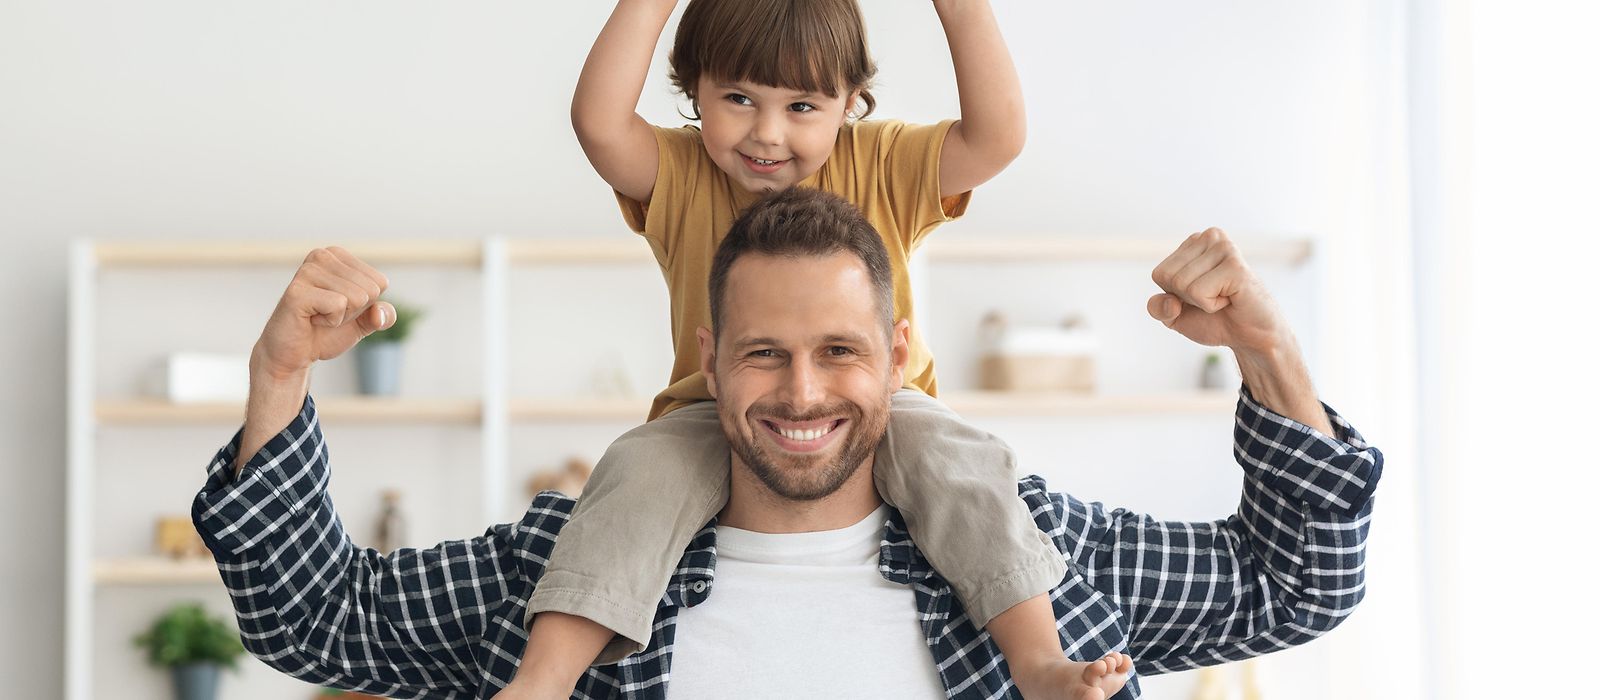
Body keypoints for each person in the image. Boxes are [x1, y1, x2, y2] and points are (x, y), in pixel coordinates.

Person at [193, 188, 1380, 700]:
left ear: (896, 350)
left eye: (838, 352)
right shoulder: (567, 570)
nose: (801, 391)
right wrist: (279, 381)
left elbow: (1297, 584)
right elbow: (317, 619)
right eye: (764, 354)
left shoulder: (1041, 554)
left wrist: (1271, 356)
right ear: (710, 359)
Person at [533, 1, 1086, 694]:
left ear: (851, 103)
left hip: (887, 406)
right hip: (714, 409)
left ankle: (1037, 660)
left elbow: (998, 137)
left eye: (802, 106)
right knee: (635, 475)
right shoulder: (678, 174)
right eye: (737, 99)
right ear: (693, 90)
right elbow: (598, 122)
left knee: (962, 465)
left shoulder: (882, 161)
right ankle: (543, 681)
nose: (766, 134)